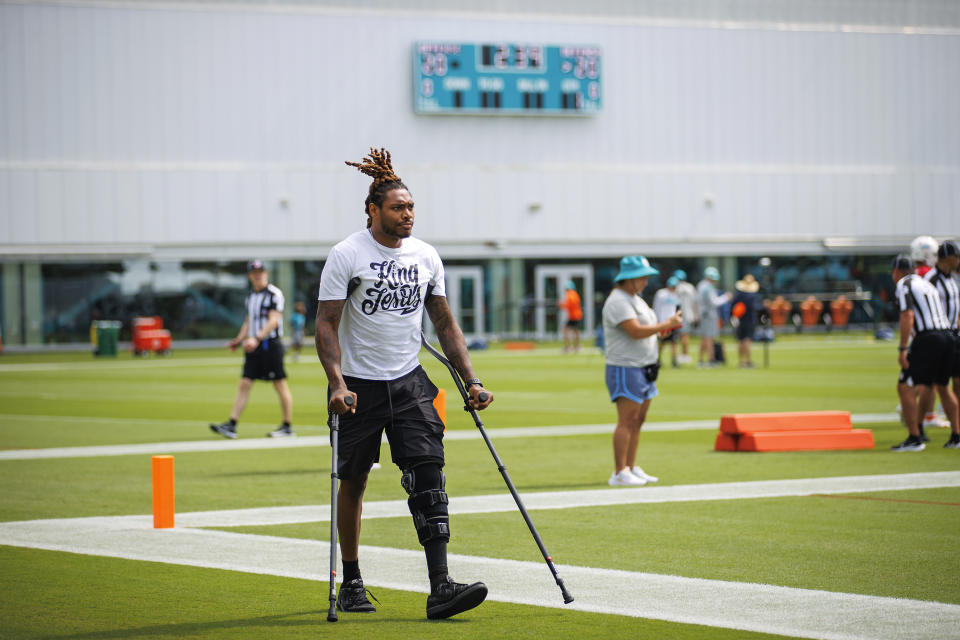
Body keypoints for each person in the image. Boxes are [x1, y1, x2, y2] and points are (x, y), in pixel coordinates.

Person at [316, 148, 493, 619]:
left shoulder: (426, 256)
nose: (407, 215)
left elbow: (446, 325)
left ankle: (441, 587)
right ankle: (351, 582)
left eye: (411, 207)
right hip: (357, 386)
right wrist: (336, 382)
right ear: (373, 210)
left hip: (410, 382)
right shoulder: (347, 254)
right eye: (397, 208)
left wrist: (471, 381)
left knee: (429, 478)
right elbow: (326, 325)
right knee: (352, 481)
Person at [602, 256, 683, 486]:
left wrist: (663, 329)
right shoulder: (618, 301)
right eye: (642, 277)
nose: (646, 281)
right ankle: (619, 471)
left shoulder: (634, 299)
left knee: (638, 420)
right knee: (626, 420)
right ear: (629, 279)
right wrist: (665, 325)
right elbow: (635, 331)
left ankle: (631, 466)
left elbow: (648, 330)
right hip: (626, 366)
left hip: (645, 366)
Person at [209, 260, 294, 439]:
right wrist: (239, 340)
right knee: (245, 383)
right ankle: (231, 424)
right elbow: (249, 321)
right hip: (254, 345)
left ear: (266, 274)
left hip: (270, 345)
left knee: (279, 384)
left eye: (261, 272)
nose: (258, 275)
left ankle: (287, 426)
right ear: (250, 276)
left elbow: (273, 320)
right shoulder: (251, 296)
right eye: (255, 272)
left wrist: (256, 338)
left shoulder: (274, 294)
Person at [890, 255, 959, 451]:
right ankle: (957, 435)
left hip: (928, 337)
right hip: (948, 336)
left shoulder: (904, 284)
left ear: (896, 271)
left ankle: (914, 438)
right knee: (942, 386)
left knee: (904, 386)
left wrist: (903, 348)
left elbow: (907, 314)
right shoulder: (927, 283)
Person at [922, 240, 960, 445]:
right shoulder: (932, 279)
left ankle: (955, 430)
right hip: (940, 336)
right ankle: (922, 426)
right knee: (937, 385)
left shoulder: (951, 279)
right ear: (948, 258)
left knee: (955, 383)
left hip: (954, 335)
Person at [696, 266, 731, 367]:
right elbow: (714, 302)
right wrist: (726, 297)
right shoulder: (708, 288)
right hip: (709, 315)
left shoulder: (701, 285)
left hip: (703, 314)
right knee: (709, 338)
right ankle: (711, 360)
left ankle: (701, 360)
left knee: (704, 337)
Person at [731, 274, 761, 368]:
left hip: (740, 320)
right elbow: (755, 307)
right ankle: (748, 361)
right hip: (750, 320)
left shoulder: (739, 295)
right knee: (747, 340)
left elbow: (732, 306)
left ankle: (741, 361)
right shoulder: (752, 296)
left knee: (740, 340)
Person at [652, 276, 680, 366]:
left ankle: (674, 360)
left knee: (674, 341)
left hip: (673, 321)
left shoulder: (676, 295)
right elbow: (656, 307)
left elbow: (677, 308)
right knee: (662, 341)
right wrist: (657, 320)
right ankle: (657, 359)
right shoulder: (661, 294)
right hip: (663, 321)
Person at [672, 270, 698, 365]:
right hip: (689, 314)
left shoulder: (675, 288)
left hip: (678, 315)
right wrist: (696, 315)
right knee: (685, 335)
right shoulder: (690, 287)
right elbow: (695, 302)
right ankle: (685, 354)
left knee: (679, 336)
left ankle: (683, 355)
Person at [558, 280, 584, 353]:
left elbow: (569, 304)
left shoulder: (570, 294)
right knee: (575, 331)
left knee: (565, 330)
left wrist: (561, 305)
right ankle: (576, 346)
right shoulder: (575, 294)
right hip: (577, 315)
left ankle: (568, 346)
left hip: (573, 316)